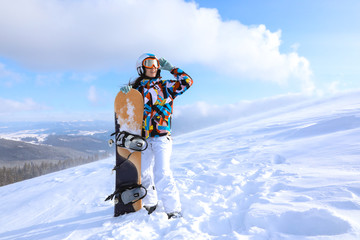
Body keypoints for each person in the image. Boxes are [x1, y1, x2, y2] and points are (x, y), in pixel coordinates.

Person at [120, 53, 193, 219]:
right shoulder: (136, 90)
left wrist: (172, 69)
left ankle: (173, 209)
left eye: (156, 64)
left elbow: (187, 82)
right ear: (141, 67)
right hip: (143, 138)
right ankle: (150, 203)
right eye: (149, 63)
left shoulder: (166, 86)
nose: (154, 67)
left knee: (162, 172)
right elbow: (126, 112)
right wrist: (126, 96)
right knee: (144, 173)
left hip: (161, 137)